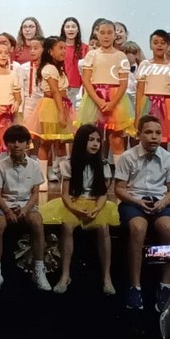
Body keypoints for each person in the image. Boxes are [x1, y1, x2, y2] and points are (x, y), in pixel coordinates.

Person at [40, 125, 119, 294]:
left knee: (103, 227)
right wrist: (75, 209)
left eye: (98, 140)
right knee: (67, 226)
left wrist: (96, 209)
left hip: (95, 203)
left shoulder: (103, 165)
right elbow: (65, 194)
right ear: (82, 141)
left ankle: (107, 276)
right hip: (74, 202)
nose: (95, 144)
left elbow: (103, 194)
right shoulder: (69, 164)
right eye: (90, 140)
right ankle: (65, 274)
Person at [115, 115, 170, 311]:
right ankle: (135, 286)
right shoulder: (128, 157)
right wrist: (138, 202)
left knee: (168, 228)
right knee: (138, 228)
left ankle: (165, 284)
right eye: (149, 132)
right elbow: (119, 189)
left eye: (158, 133)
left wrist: (163, 203)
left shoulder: (168, 158)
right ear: (139, 135)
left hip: (159, 201)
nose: (154, 137)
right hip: (134, 201)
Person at [0, 124, 48, 293]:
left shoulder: (34, 165)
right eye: (12, 141)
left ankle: (39, 269)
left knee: (37, 222)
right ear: (6, 144)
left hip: (26, 204)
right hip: (5, 204)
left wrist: (26, 209)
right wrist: (7, 211)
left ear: (27, 143)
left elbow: (35, 192)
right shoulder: (0, 166)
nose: (16, 145)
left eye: (21, 141)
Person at [78, 19, 135, 158]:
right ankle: (93, 168)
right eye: (102, 33)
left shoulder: (120, 56)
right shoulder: (92, 55)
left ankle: (119, 170)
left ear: (115, 35)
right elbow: (86, 80)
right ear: (97, 34)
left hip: (116, 99)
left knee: (116, 138)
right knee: (92, 137)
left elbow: (123, 83)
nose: (106, 36)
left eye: (109, 33)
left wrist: (112, 103)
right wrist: (98, 101)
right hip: (95, 97)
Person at [32, 37, 74, 177]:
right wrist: (61, 113)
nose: (63, 51)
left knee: (61, 142)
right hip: (51, 107)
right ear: (50, 51)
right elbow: (55, 91)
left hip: (61, 105)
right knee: (46, 142)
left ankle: (64, 176)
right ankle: (43, 178)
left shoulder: (58, 68)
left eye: (65, 48)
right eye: (60, 48)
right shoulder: (49, 68)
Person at [135, 29, 170, 150]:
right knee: (147, 137)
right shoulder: (145, 64)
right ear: (151, 45)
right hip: (148, 104)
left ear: (167, 45)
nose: (159, 45)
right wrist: (137, 115)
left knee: (163, 139)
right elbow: (140, 91)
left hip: (166, 106)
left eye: (163, 43)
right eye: (156, 42)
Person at [59, 17, 88, 108]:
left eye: (73, 26)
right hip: (61, 87)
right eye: (67, 27)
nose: (70, 29)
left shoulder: (85, 48)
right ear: (63, 29)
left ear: (78, 30)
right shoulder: (58, 47)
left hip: (78, 88)